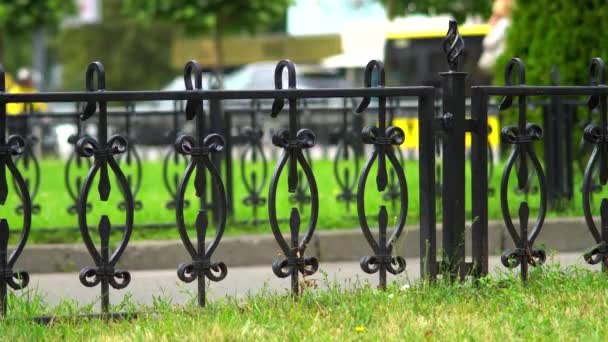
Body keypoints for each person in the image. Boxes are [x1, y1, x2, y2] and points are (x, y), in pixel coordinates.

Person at [478, 0, 514, 75]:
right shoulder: (511, 22)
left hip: (495, 61)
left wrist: (492, 29)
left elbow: (489, 42)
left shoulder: (503, 23)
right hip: (504, 59)